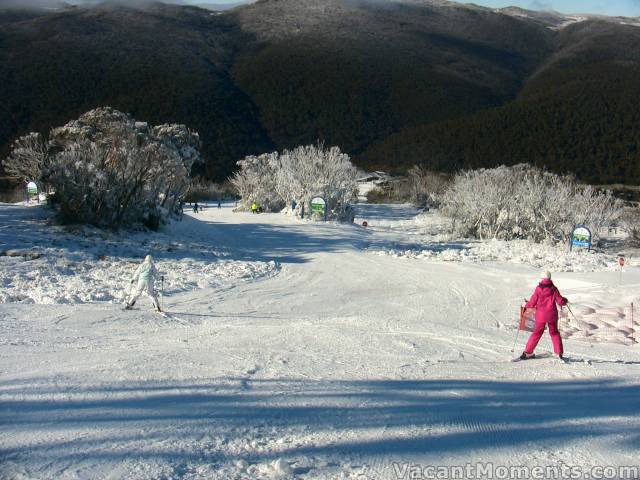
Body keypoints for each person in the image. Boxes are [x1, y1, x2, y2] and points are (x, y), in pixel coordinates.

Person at [520, 271, 568, 360]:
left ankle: (528, 353)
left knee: (537, 333)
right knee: (554, 333)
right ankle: (558, 353)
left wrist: (525, 304)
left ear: (541, 278)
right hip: (552, 315)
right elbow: (560, 301)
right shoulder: (554, 289)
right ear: (550, 278)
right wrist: (565, 300)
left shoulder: (538, 289)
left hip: (541, 316)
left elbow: (532, 303)